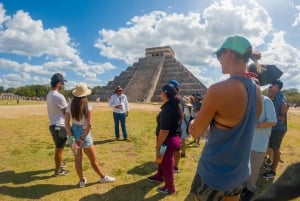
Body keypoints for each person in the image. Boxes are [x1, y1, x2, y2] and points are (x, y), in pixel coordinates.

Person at [189, 35, 262, 201]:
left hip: (214, 173)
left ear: (228, 53)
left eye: (218, 55)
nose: (218, 60)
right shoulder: (256, 90)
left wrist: (194, 122)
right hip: (240, 172)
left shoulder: (218, 90)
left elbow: (196, 132)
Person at [65, 82, 116, 187]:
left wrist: (72, 139)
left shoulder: (69, 106)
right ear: (85, 94)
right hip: (85, 133)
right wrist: (82, 138)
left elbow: (66, 124)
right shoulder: (88, 106)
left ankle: (81, 181)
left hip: (72, 132)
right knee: (93, 160)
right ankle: (103, 177)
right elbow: (89, 125)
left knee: (77, 160)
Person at [240, 93, 277, 201]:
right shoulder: (248, 101)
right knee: (245, 167)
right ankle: (244, 187)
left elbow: (273, 121)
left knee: (254, 168)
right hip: (247, 141)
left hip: (259, 142)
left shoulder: (266, 101)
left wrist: (255, 125)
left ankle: (250, 190)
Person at [148, 83, 181, 194]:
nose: (160, 93)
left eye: (161, 91)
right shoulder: (173, 105)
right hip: (171, 139)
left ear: (165, 94)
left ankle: (170, 187)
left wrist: (158, 145)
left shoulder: (167, 109)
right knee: (160, 159)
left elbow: (164, 130)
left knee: (167, 164)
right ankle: (159, 176)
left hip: (166, 141)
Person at [262, 80, 289, 179]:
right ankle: (271, 165)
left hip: (279, 128)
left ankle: (273, 171)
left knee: (276, 149)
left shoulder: (280, 96)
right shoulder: (274, 96)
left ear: (277, 87)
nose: (271, 86)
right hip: (274, 127)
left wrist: (281, 115)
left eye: (273, 85)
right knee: (272, 147)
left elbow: (285, 105)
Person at [46, 73, 70, 176]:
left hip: (53, 125)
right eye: (62, 83)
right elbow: (66, 113)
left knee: (59, 147)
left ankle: (60, 163)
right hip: (60, 127)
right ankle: (58, 170)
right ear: (59, 83)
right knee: (59, 149)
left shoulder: (49, 94)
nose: (63, 85)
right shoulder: (59, 96)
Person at [168, 79, 184, 173]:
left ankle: (161, 162)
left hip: (169, 129)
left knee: (163, 147)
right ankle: (175, 167)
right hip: (178, 128)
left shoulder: (171, 100)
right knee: (176, 148)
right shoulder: (181, 99)